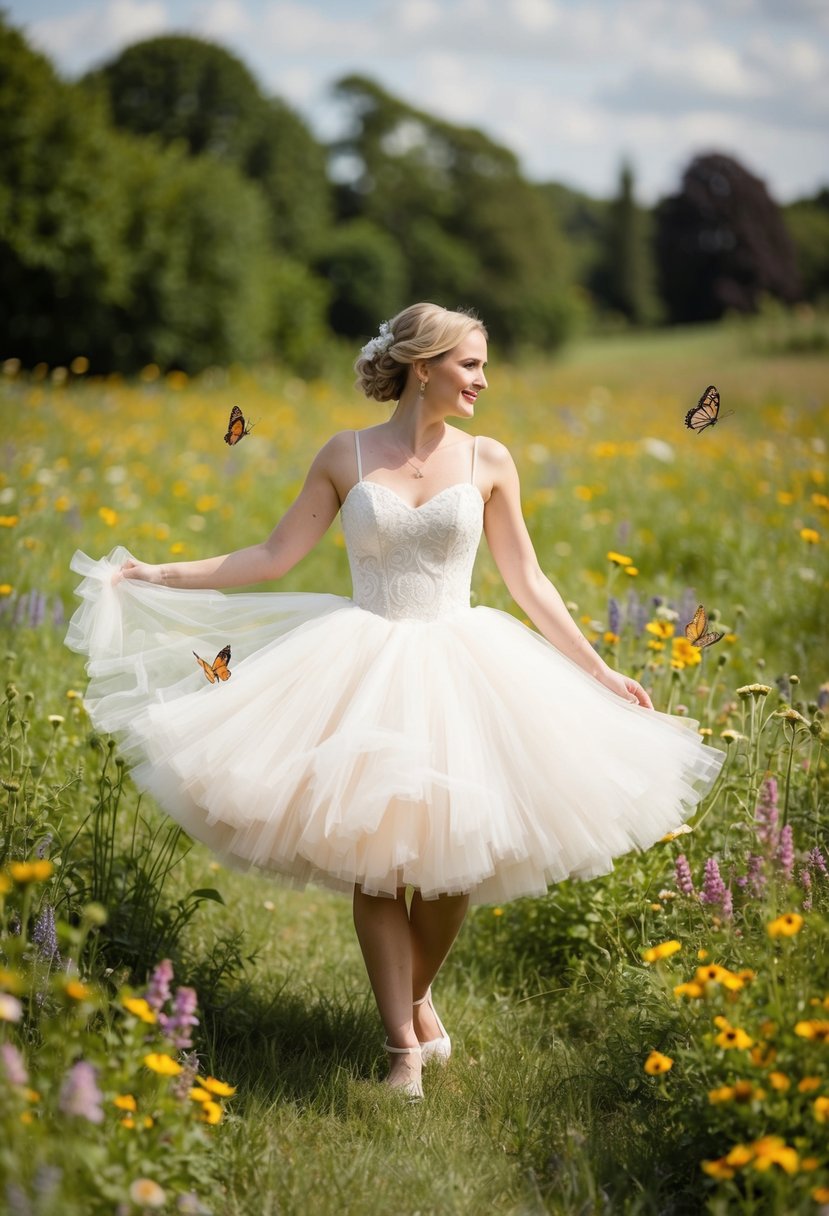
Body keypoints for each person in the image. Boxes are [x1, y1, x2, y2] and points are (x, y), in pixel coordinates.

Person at [66, 302, 723, 1100]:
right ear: (424, 366)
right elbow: (274, 556)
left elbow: (528, 581)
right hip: (361, 663)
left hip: (465, 667)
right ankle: (401, 1053)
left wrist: (596, 671)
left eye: (483, 365)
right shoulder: (345, 454)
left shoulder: (489, 461)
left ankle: (414, 996)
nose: (483, 379)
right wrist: (153, 574)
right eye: (470, 364)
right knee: (377, 875)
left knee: (450, 877)